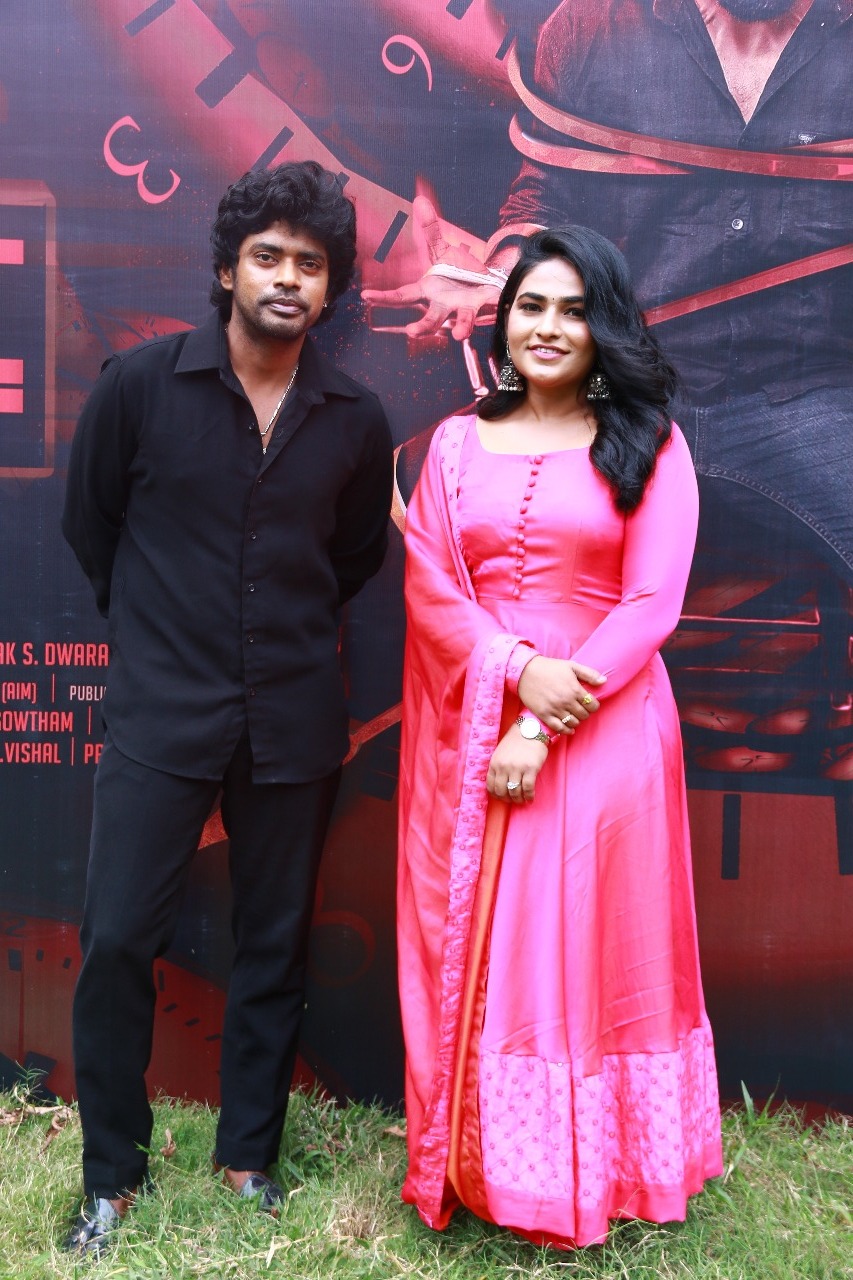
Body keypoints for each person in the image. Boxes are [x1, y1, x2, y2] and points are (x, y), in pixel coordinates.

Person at [61, 160, 393, 1256]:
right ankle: (110, 1176)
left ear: (331, 287)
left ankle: (248, 1155)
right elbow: (92, 526)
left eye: (311, 263)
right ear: (226, 269)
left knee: (274, 944)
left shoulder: (354, 418)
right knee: (118, 938)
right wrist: (162, 632)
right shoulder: (140, 386)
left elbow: (352, 556)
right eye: (268, 256)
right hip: (161, 710)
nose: (288, 277)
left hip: (294, 718)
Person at [397, 226, 723, 1248]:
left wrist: (540, 717)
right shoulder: (455, 444)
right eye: (530, 305)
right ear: (502, 321)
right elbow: (431, 586)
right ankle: (492, 1164)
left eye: (573, 310)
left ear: (604, 327)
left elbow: (649, 604)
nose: (547, 326)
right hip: (477, 723)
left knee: (582, 943)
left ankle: (603, 1167)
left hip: (605, 728)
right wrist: (511, 670)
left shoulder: (650, 443)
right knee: (492, 944)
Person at [365, 0, 853, 586]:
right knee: (412, 504)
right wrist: (500, 275)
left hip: (808, 398)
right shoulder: (589, 24)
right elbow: (547, 198)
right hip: (620, 393)